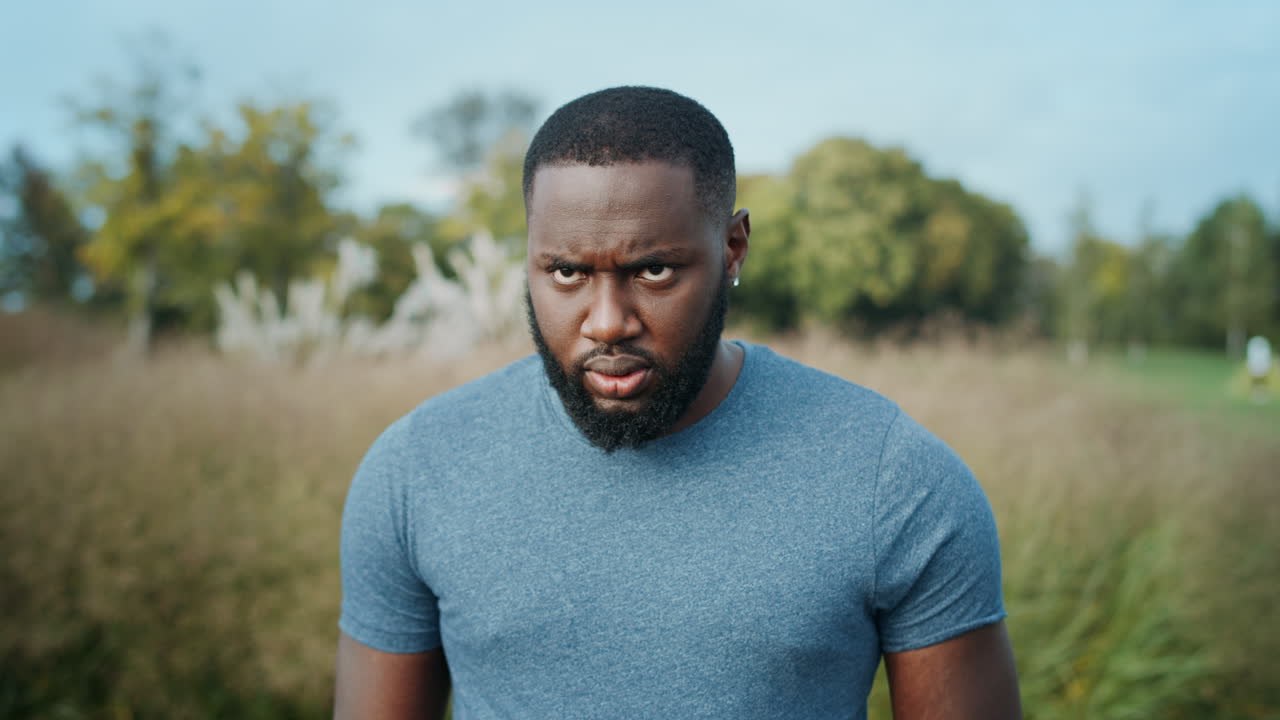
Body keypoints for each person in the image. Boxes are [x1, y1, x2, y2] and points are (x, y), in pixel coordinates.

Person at [333, 86, 1021, 720]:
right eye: (566, 271)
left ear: (732, 247)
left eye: (653, 270)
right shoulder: (418, 470)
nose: (606, 323)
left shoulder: (895, 482)